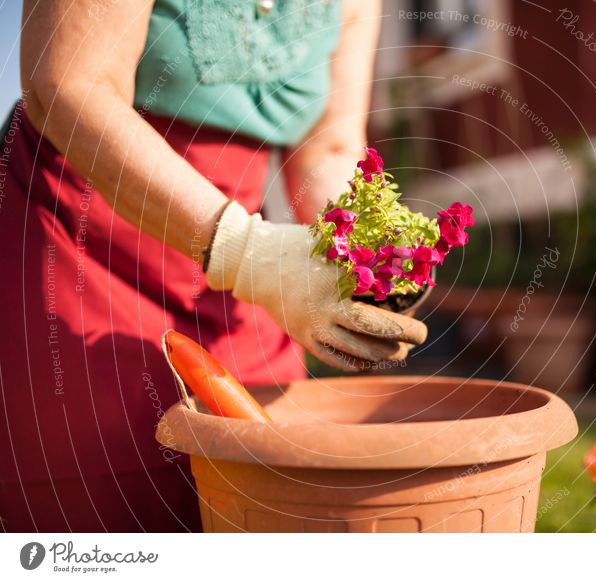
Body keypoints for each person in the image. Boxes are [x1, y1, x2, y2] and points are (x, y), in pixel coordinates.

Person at [0, 0, 426, 532]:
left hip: (241, 269)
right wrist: (246, 252)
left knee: (266, 482)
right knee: (99, 500)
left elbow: (330, 145)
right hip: (80, 238)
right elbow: (66, 88)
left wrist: (368, 257)